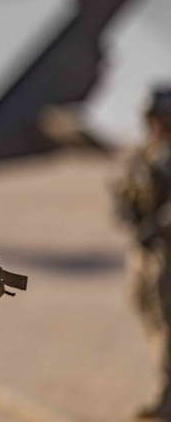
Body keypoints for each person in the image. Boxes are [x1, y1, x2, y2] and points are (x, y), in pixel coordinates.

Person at [114, 86, 171, 421]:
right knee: (150, 318)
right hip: (146, 255)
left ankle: (165, 401)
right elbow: (128, 190)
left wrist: (161, 225)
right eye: (154, 119)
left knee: (167, 327)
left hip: (167, 253)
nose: (158, 126)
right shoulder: (147, 153)